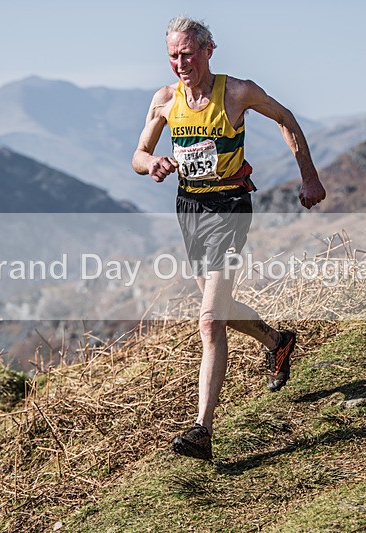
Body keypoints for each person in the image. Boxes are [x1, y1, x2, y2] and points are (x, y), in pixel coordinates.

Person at [132, 16, 326, 460]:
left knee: (209, 320)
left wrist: (309, 176)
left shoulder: (237, 92)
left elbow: (286, 118)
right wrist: (152, 163)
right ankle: (277, 342)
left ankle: (203, 430)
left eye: (187, 54)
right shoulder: (165, 100)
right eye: (173, 56)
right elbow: (138, 155)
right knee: (217, 306)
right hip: (190, 209)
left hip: (230, 207)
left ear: (208, 51)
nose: (181, 63)